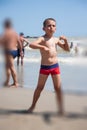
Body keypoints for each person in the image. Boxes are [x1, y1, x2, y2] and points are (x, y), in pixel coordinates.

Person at [28, 18, 70, 114]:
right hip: (45, 67)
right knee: (39, 87)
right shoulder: (42, 38)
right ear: (44, 28)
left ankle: (60, 108)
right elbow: (31, 44)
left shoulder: (55, 40)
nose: (51, 27)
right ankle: (33, 105)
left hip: (55, 66)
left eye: (53, 25)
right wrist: (42, 46)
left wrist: (66, 41)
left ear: (56, 28)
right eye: (49, 25)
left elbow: (66, 49)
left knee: (58, 88)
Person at [0, 18, 23, 87]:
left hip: (8, 51)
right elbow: (19, 43)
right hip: (15, 51)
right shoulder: (15, 33)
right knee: (7, 67)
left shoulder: (5, 33)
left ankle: (16, 83)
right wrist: (21, 51)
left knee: (11, 67)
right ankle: (7, 82)